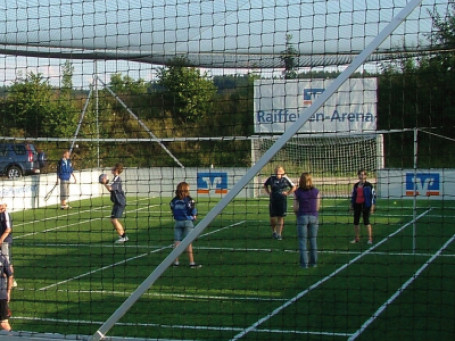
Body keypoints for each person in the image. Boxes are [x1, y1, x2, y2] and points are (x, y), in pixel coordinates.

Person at [170, 182, 201, 268]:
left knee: (177, 242)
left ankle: (176, 262)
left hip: (177, 222)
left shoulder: (174, 200)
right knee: (188, 242)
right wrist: (193, 217)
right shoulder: (190, 199)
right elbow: (193, 210)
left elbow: (172, 209)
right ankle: (191, 263)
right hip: (187, 222)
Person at [293, 173, 321, 268]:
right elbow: (317, 207)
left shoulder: (297, 192)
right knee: (313, 240)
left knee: (302, 241)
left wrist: (298, 216)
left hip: (302, 216)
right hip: (313, 216)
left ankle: (304, 264)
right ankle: (314, 263)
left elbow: (295, 208)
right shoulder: (316, 191)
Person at [264, 166, 296, 240]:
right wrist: (269, 192)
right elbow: (265, 185)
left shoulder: (285, 179)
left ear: (283, 172)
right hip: (273, 200)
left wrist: (287, 193)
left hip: (282, 200)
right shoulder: (271, 178)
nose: (278, 172)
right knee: (272, 217)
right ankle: (274, 232)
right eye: (277, 171)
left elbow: (294, 187)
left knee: (280, 217)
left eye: (280, 171)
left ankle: (279, 234)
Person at [101, 163, 128, 244]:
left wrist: (104, 182)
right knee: (113, 220)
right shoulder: (115, 179)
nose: (111, 169)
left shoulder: (117, 179)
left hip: (120, 202)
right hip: (117, 202)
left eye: (113, 168)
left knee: (114, 220)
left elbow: (110, 189)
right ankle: (123, 236)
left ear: (116, 170)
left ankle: (123, 237)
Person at [350, 169, 376, 244]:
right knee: (356, 222)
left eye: (363, 174)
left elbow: (373, 196)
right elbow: (353, 196)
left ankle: (370, 239)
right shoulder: (356, 185)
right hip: (357, 205)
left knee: (366, 221)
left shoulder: (369, 185)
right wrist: (352, 205)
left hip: (365, 205)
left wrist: (372, 206)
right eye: (360, 174)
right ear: (358, 176)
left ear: (366, 176)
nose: (362, 176)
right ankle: (357, 238)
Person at [0, 203, 15, 288]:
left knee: (7, 262)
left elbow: (8, 229)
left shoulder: (5, 214)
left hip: (5, 241)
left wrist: (1, 240)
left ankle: (10, 280)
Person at [0, 253, 13, 331]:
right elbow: (10, 275)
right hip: (1, 295)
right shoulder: (2, 257)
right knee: (4, 322)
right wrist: (8, 293)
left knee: (4, 323)